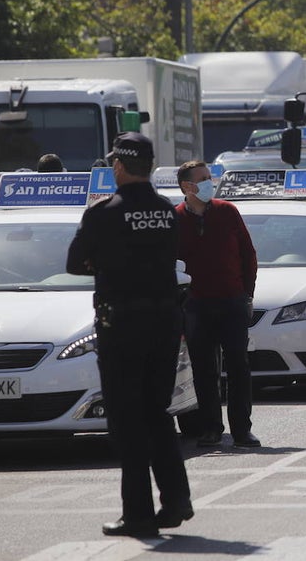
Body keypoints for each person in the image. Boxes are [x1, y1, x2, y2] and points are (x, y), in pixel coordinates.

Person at [65, 133, 192, 537]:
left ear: (119, 166)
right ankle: (176, 500)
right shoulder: (167, 211)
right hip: (164, 324)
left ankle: (137, 514)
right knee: (157, 414)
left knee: (127, 422)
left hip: (121, 327)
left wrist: (106, 266)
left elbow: (73, 263)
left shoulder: (104, 213)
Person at [176, 159, 260, 448]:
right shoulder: (175, 218)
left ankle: (242, 430)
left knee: (238, 366)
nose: (210, 183)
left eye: (209, 177)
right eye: (203, 179)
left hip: (232, 302)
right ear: (187, 186)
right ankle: (211, 428)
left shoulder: (227, 212)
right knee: (203, 369)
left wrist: (246, 294)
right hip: (197, 305)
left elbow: (249, 255)